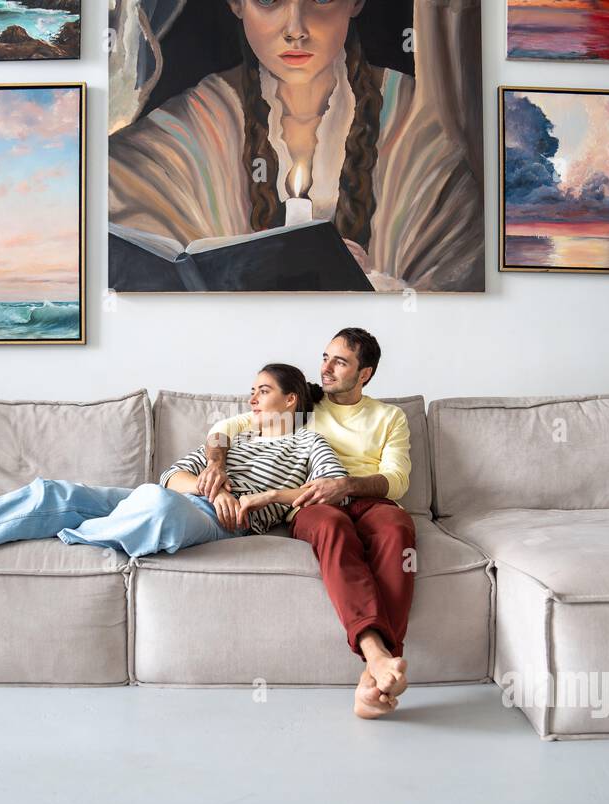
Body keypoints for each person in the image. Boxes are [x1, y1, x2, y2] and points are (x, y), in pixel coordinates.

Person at [108, 0, 484, 291]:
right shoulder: (182, 132)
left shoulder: (426, 119)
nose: (295, 30)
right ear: (236, 4)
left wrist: (376, 283)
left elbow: (458, 281)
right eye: (269, 0)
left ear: (355, 2)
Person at [0, 364, 348, 572]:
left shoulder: (308, 442)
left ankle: (71, 533)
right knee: (50, 493)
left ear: (292, 398)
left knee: (158, 507)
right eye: (253, 390)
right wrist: (209, 484)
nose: (251, 397)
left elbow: (333, 488)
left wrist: (257, 501)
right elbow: (172, 475)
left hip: (220, 524)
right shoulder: (230, 436)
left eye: (262, 390)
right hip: (184, 499)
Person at [200, 328, 414, 720]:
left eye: (340, 362)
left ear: (364, 373)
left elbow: (397, 479)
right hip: (308, 501)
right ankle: (380, 660)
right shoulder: (306, 401)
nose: (326, 368)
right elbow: (225, 429)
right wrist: (215, 462)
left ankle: (375, 673)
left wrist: (346, 483)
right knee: (333, 530)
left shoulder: (389, 417)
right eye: (325, 357)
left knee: (398, 530)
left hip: (369, 498)